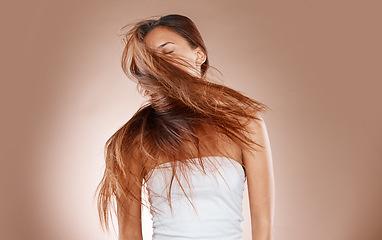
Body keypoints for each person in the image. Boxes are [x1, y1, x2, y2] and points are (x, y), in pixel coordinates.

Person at [94, 14, 275, 240]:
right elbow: (129, 235)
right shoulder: (135, 140)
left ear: (199, 55)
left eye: (168, 52)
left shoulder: (246, 123)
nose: (160, 64)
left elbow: (263, 226)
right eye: (151, 59)